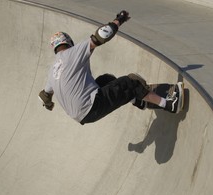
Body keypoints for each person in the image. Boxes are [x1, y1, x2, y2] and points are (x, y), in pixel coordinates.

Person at [39, 10, 184, 125]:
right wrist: (119, 20)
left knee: (105, 80)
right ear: (69, 42)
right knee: (131, 82)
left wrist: (48, 104)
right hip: (91, 107)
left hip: (80, 116)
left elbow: (45, 95)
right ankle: (169, 104)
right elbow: (101, 36)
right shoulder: (72, 53)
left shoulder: (53, 69)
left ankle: (138, 100)